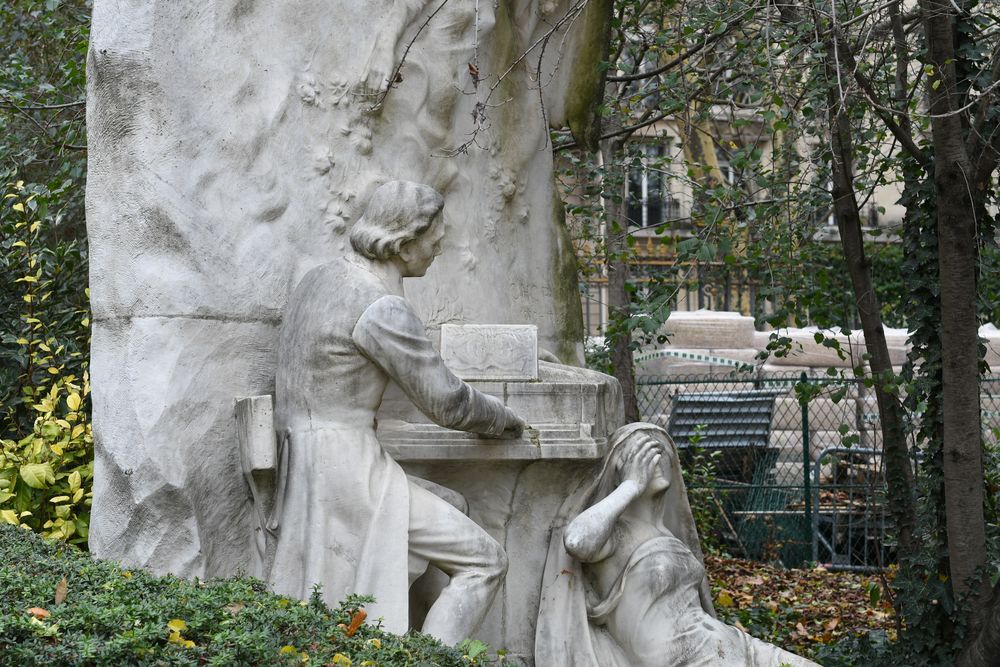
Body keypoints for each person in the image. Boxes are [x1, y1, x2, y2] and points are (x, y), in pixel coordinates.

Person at [269, 180, 524, 644]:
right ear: (404, 243)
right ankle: (427, 658)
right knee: (485, 562)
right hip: (348, 470)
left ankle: (404, 638)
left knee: (453, 504)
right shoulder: (381, 305)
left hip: (307, 461)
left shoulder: (318, 280)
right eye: (434, 236)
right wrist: (503, 417)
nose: (441, 244)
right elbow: (447, 402)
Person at [535, 423, 819, 667]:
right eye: (643, 452)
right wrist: (631, 486)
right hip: (683, 659)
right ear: (620, 466)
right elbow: (576, 541)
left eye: (661, 450)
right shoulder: (615, 533)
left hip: (728, 645)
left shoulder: (668, 533)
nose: (655, 457)